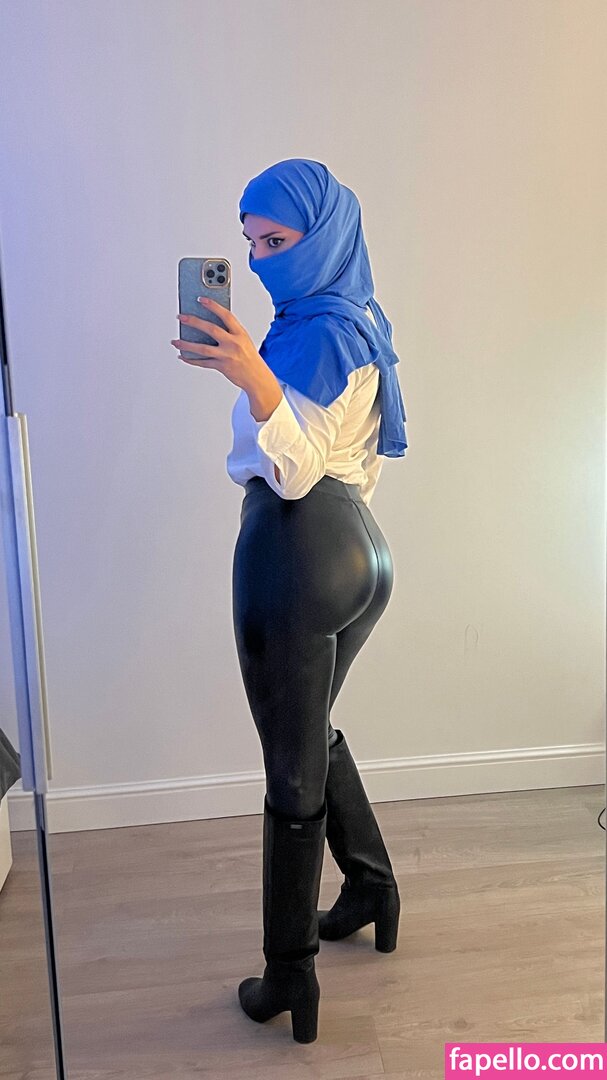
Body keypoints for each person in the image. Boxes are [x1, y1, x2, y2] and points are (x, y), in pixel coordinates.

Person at [171, 158, 408, 1044]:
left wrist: (252, 379)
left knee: (290, 768)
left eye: (276, 240)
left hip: (296, 551)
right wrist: (254, 373)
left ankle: (288, 975)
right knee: (310, 736)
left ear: (325, 232)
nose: (261, 260)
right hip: (358, 554)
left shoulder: (316, 334)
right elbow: (352, 461)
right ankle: (372, 887)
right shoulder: (354, 316)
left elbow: (297, 469)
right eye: (251, 243)